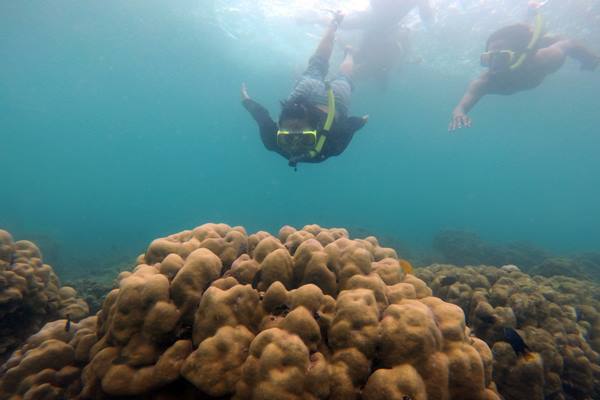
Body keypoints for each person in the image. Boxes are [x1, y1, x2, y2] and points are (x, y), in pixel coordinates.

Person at [241, 13, 368, 169]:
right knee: (323, 66)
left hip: (330, 99)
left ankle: (347, 48)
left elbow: (261, 116)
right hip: (324, 97)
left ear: (279, 130)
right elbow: (262, 117)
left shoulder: (330, 148)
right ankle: (341, 41)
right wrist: (247, 102)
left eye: (286, 140)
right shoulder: (330, 148)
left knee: (340, 75)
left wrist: (247, 101)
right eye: (306, 139)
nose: (295, 147)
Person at [449, 13, 599, 131]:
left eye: (502, 57)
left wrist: (588, 57)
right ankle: (526, 23)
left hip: (539, 47)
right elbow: (460, 106)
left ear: (522, 55)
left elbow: (569, 44)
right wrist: (459, 113)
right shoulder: (485, 82)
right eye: (488, 58)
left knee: (548, 37)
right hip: (526, 48)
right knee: (525, 31)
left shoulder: (546, 58)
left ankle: (533, 25)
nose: (494, 65)